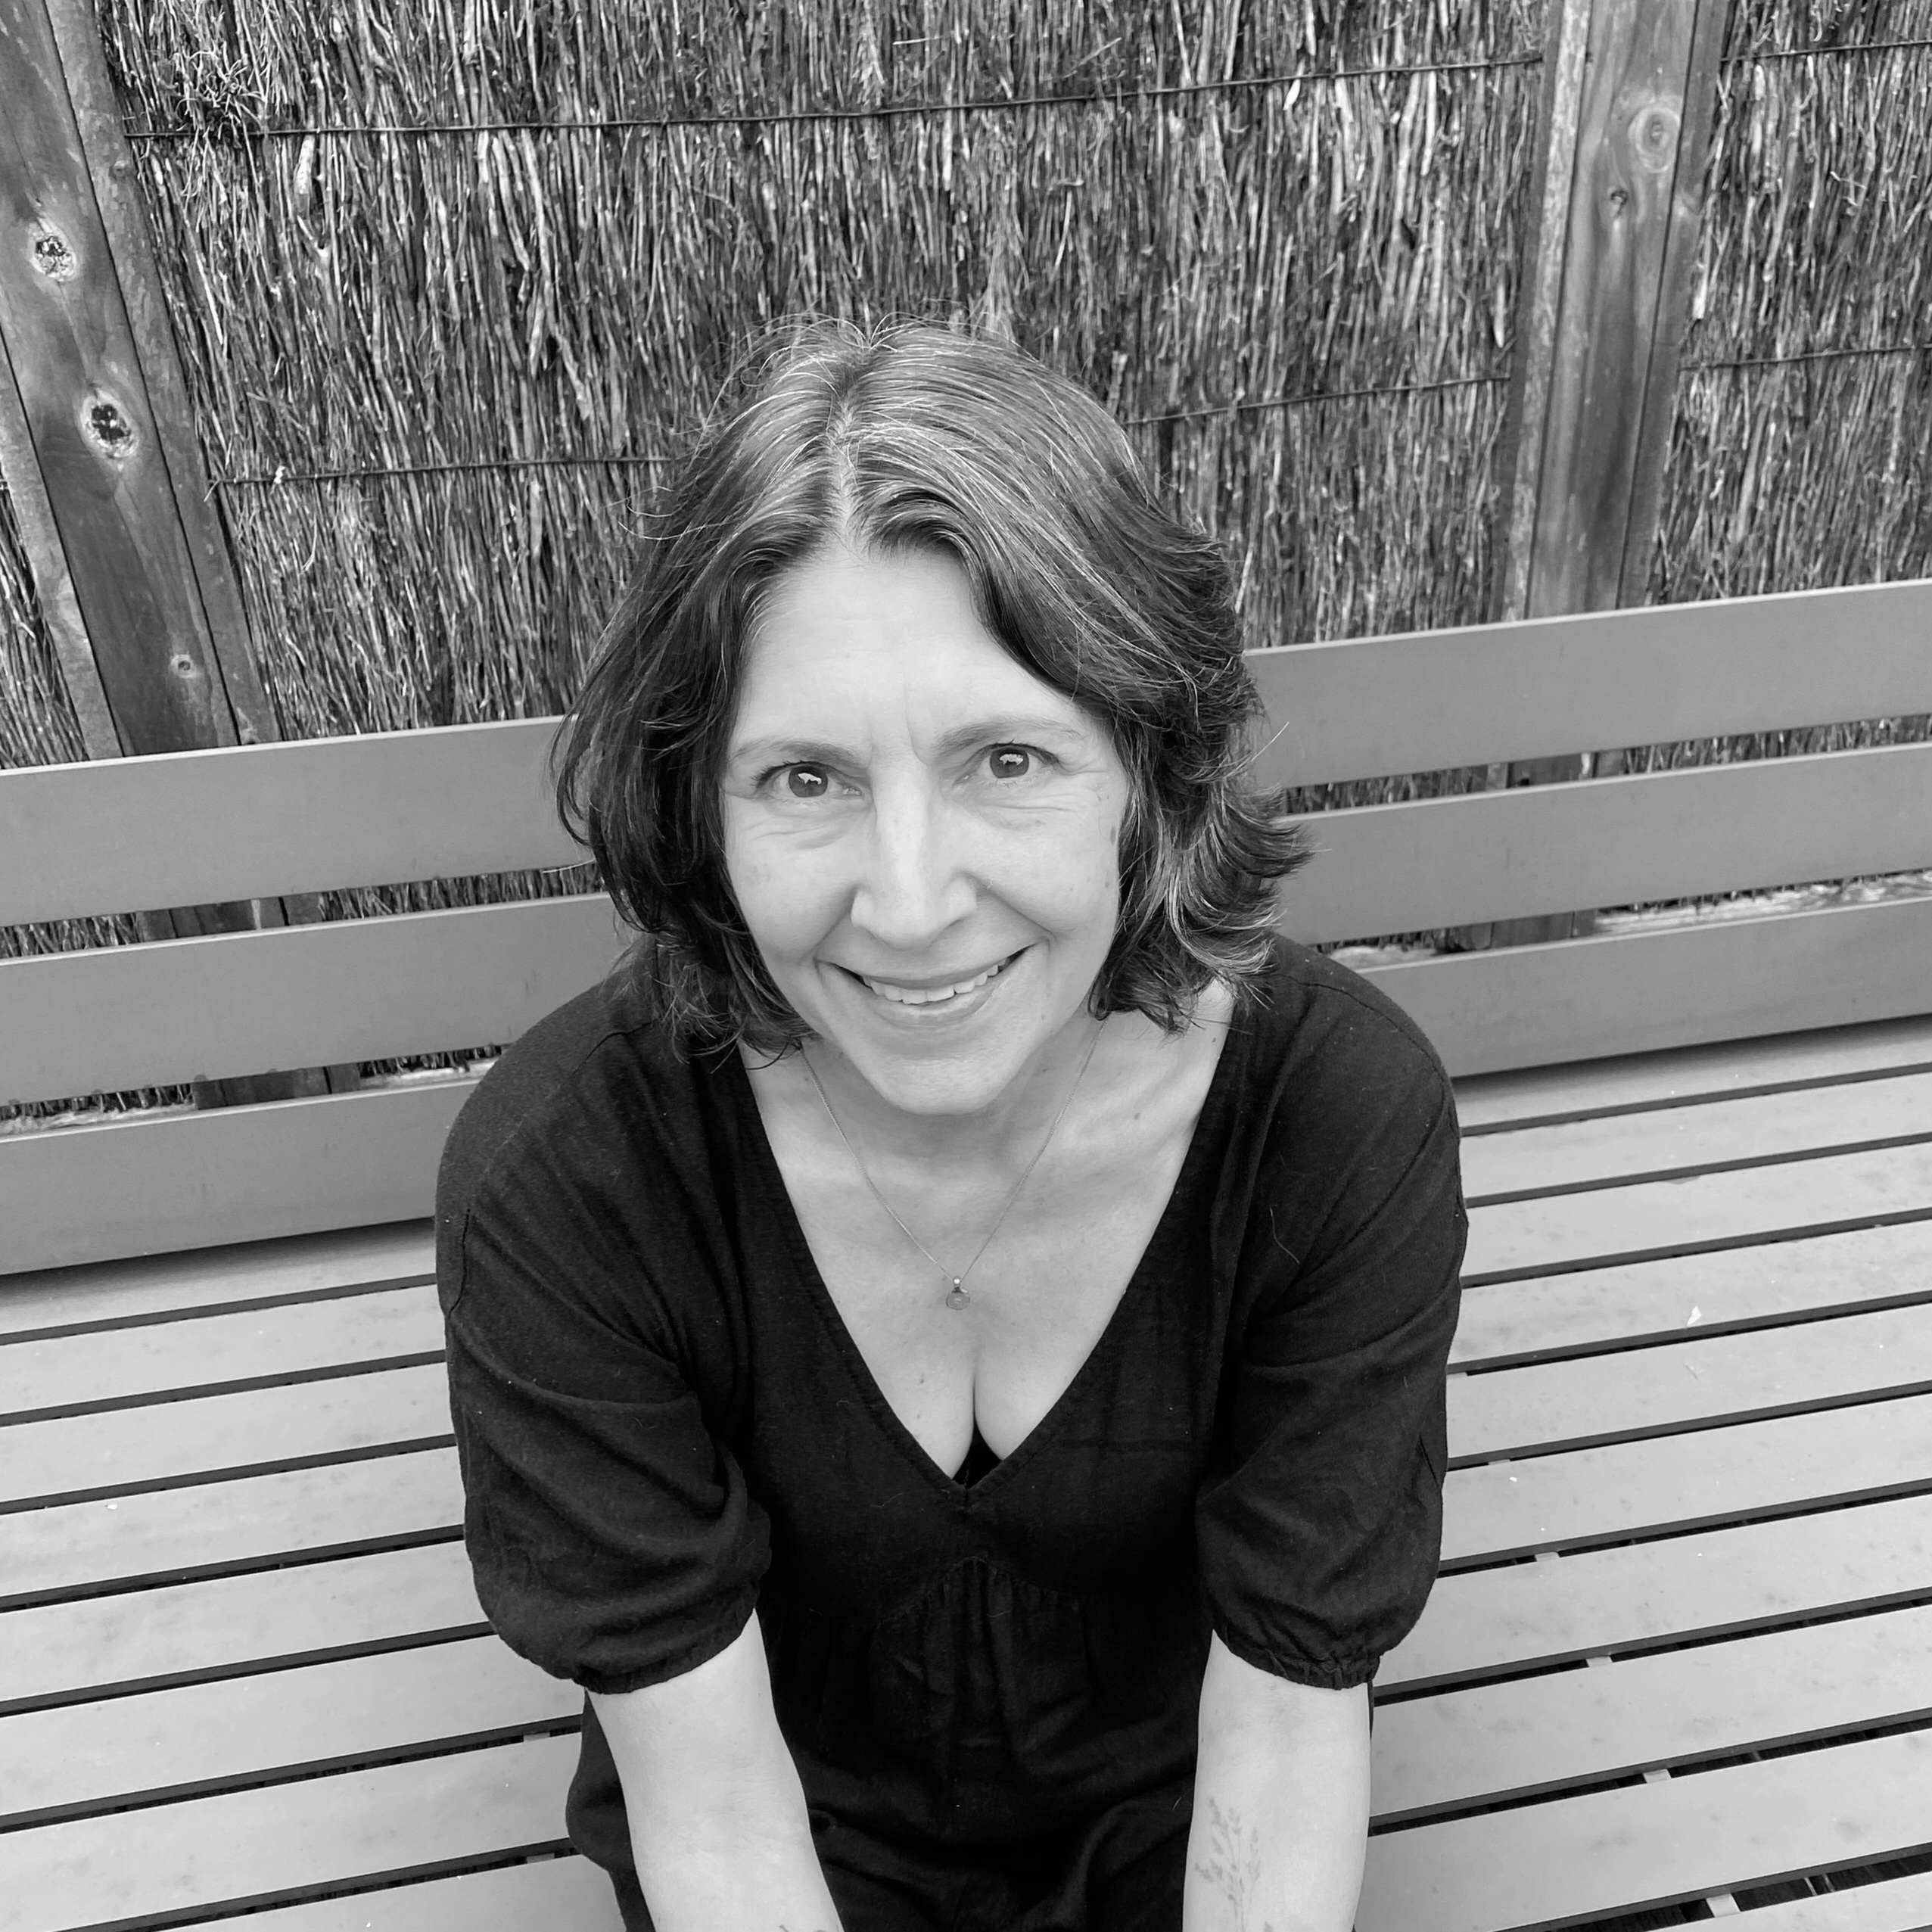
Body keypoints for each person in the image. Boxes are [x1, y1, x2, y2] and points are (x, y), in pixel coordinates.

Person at [436, 319, 1465, 1932]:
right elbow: (714, 1806)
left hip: (1196, 1809)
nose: (909, 905)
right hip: (787, 1833)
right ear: (698, 805)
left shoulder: (1331, 1121)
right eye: (803, 779)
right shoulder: (568, 1182)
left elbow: (1279, 1729)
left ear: (1149, 767)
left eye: (1007, 758)